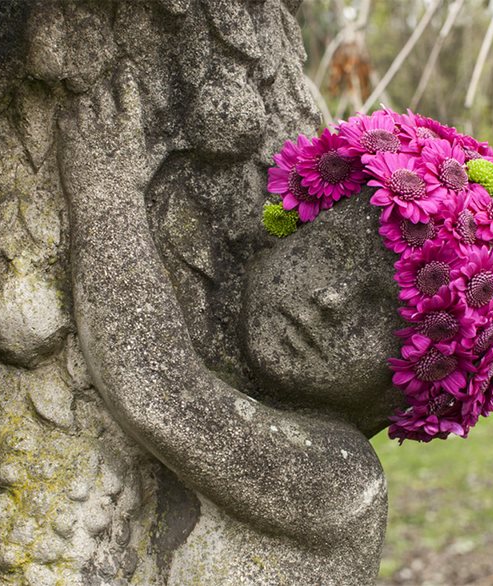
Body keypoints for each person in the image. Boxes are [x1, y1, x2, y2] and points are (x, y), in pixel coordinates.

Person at [59, 66, 404, 586]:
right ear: (282, 232)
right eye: (332, 250)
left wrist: (106, 196)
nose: (332, 299)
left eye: (383, 310)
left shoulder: (343, 480)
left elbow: (160, 393)